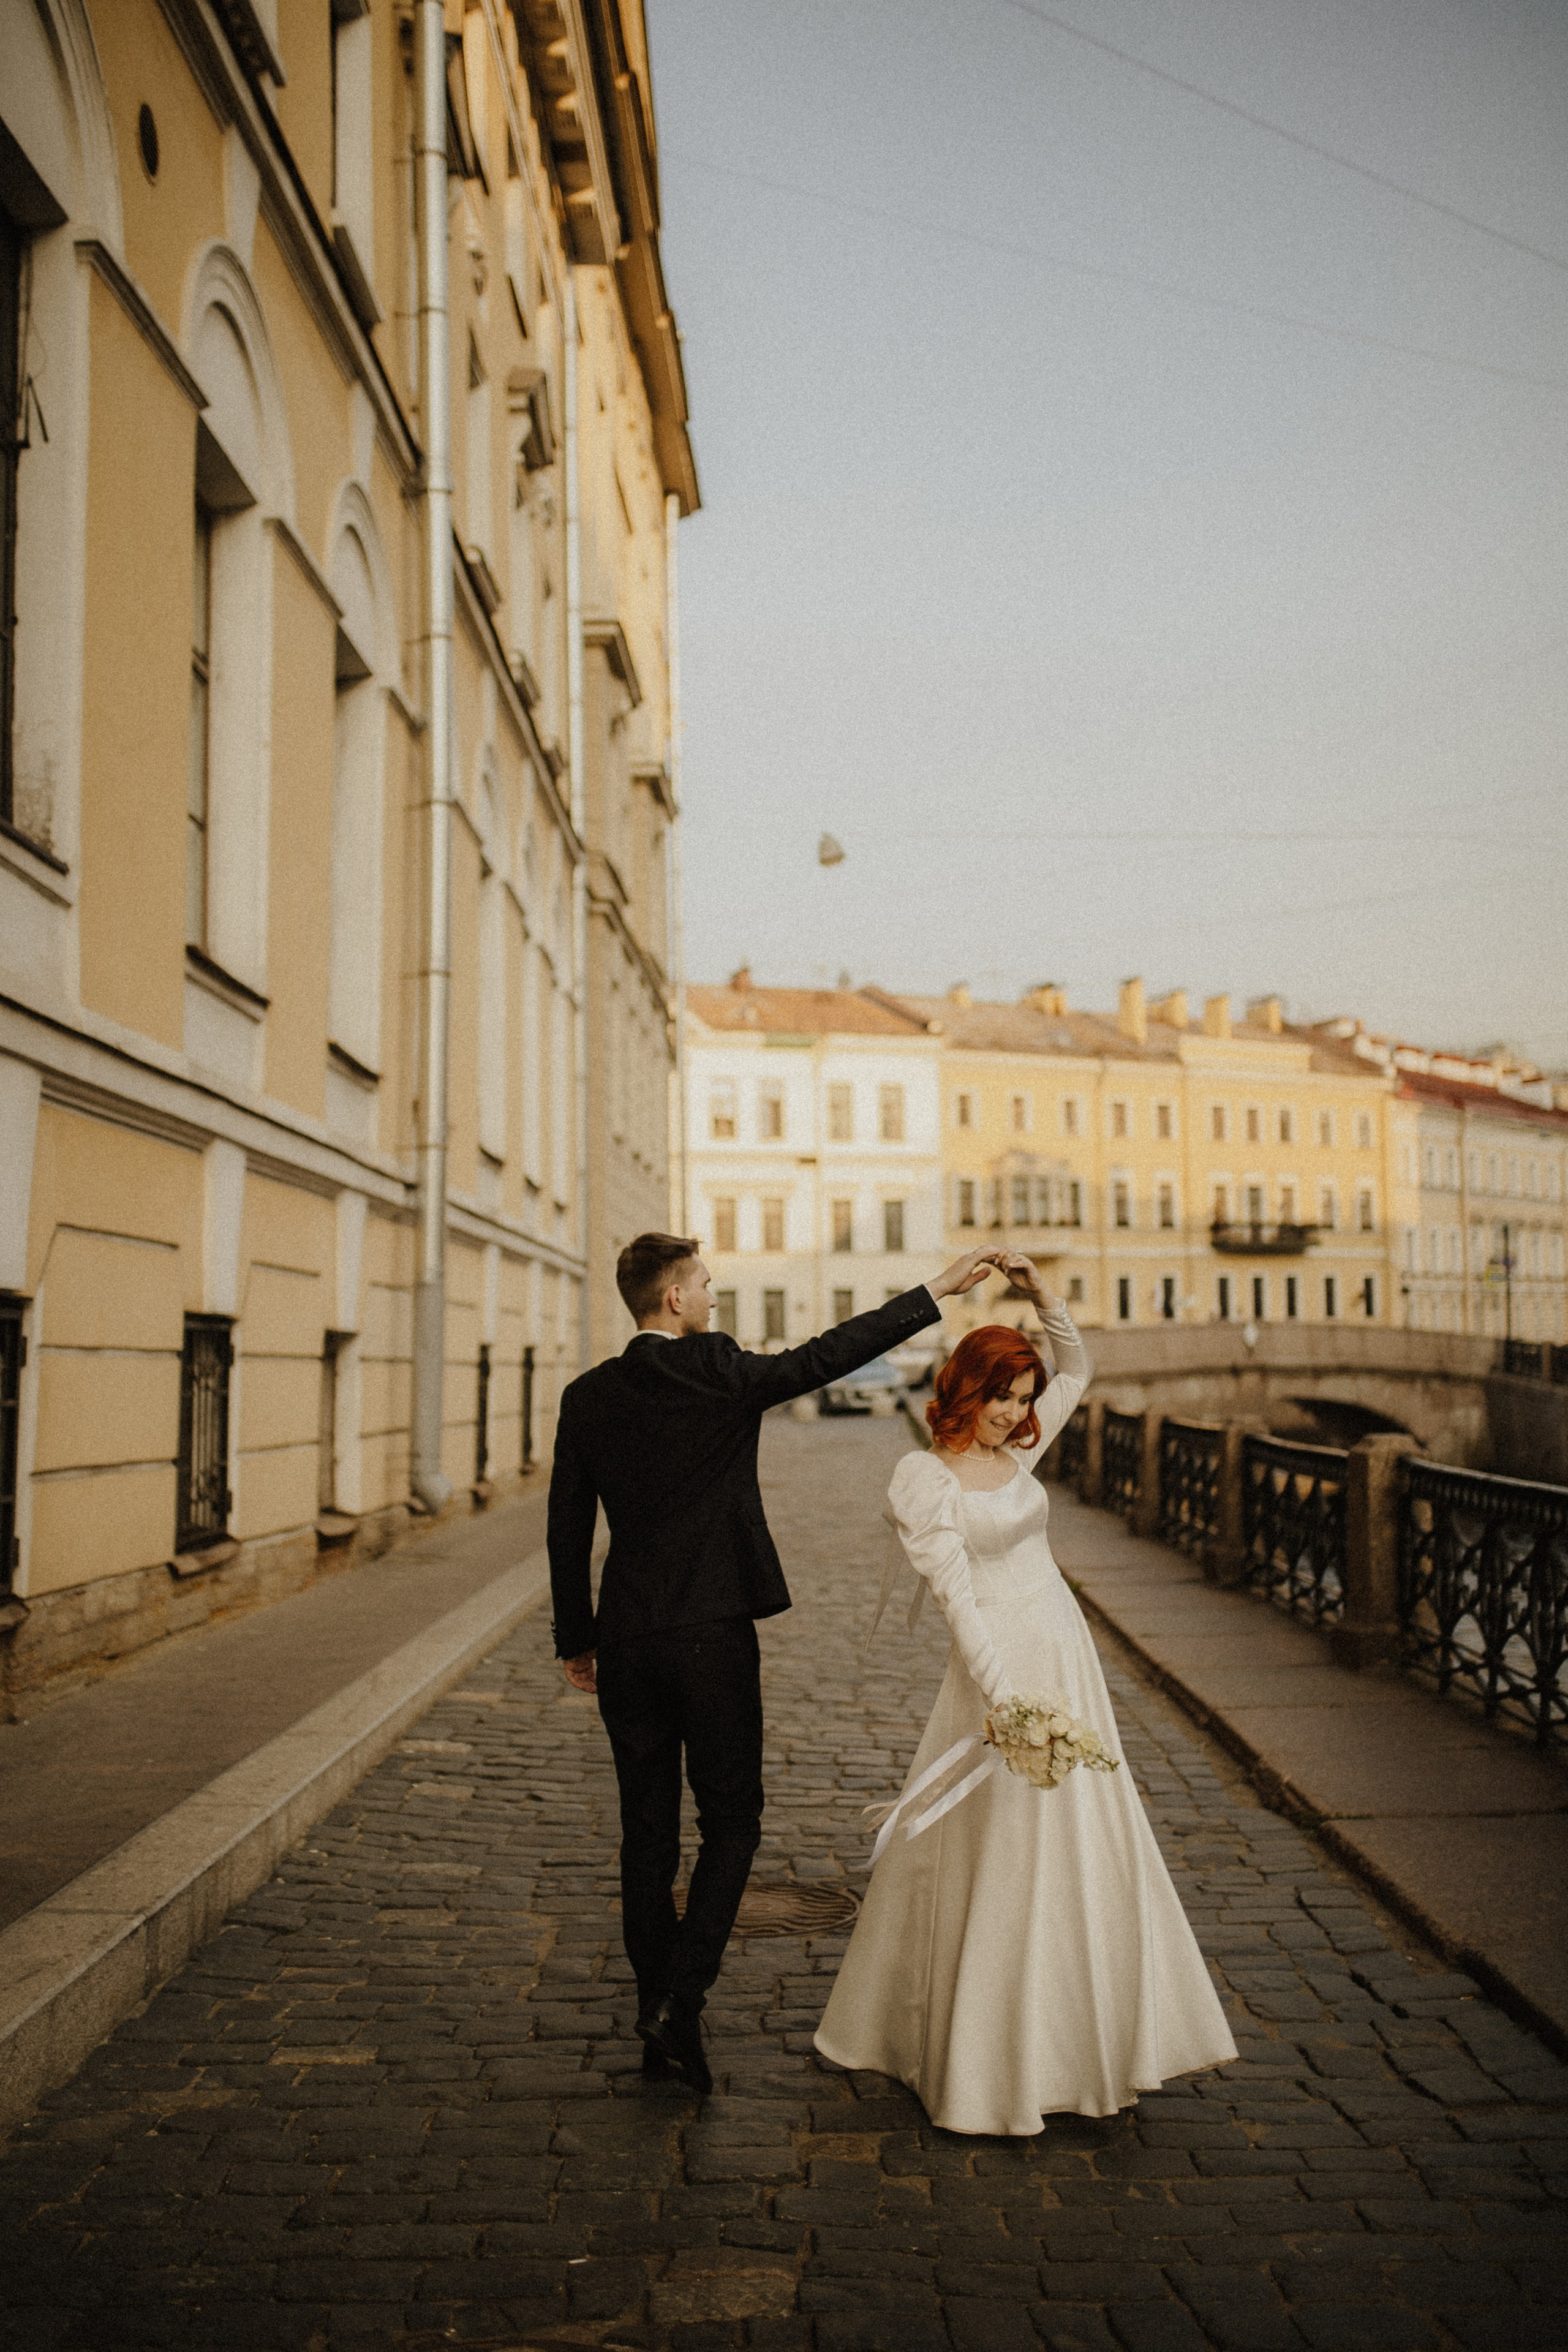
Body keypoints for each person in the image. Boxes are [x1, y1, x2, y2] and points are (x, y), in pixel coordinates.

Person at [546, 1230, 1009, 2093]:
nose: (716, 1295)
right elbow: (828, 1356)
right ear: (675, 1299)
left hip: (633, 1638)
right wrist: (937, 1289)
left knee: (645, 1835)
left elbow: (568, 1527)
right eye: (707, 1284)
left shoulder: (589, 1396)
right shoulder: (718, 1370)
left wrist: (578, 1639)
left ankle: (660, 2024)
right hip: (713, 1635)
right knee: (733, 1821)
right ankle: (680, 2000)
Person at [815, 1256, 1237, 2132]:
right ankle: (984, 2061)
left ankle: (1089, 2039)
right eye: (1001, 1395)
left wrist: (1041, 1294)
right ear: (963, 1390)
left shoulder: (1022, 1448)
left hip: (1064, 1648)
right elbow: (957, 1602)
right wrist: (1005, 1703)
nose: (1016, 1413)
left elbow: (1079, 1368)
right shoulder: (924, 1482)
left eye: (1021, 1396)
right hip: (1000, 1664)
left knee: (1085, 1834)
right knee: (1002, 1845)